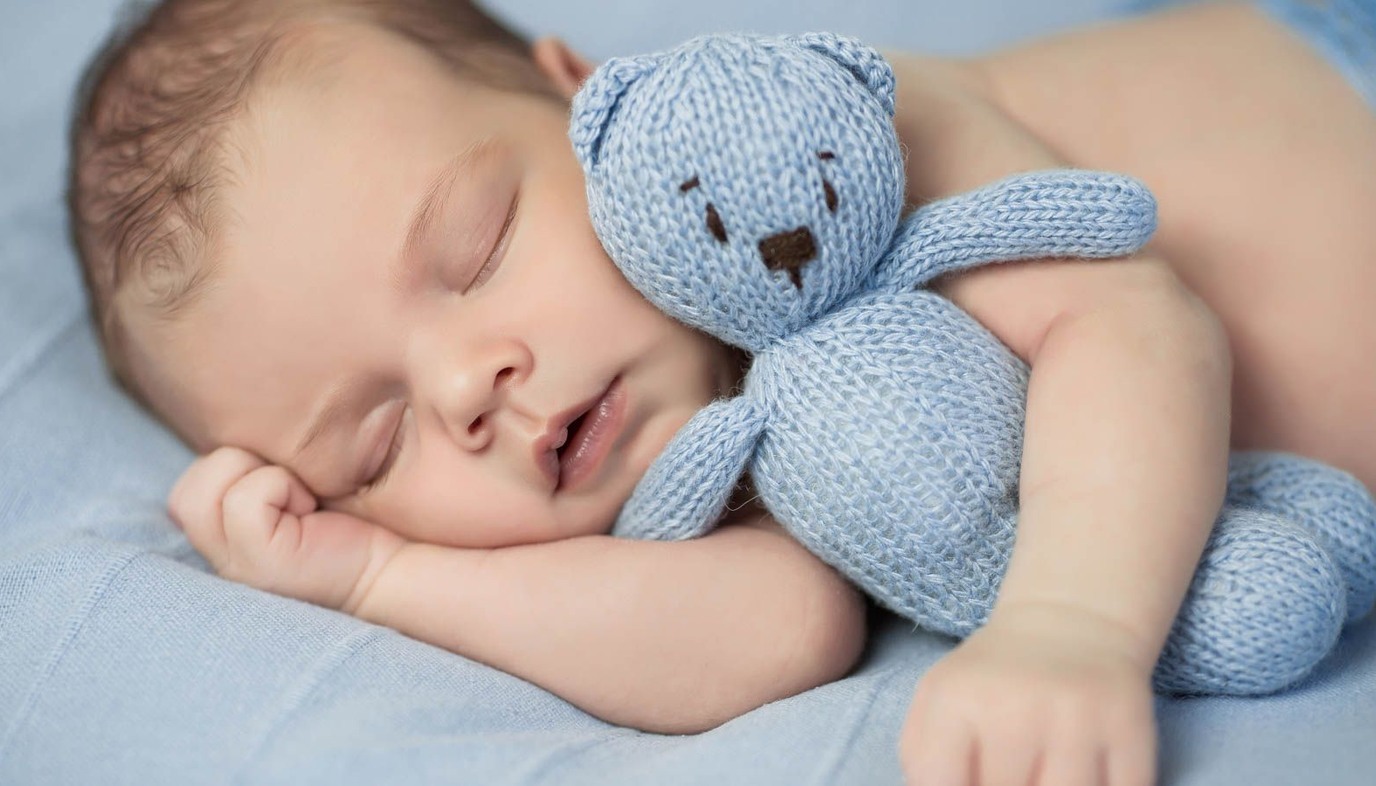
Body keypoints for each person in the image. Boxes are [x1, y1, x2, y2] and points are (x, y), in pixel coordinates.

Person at [65, 0, 1376, 784]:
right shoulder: (688, 465)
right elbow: (774, 631)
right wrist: (373, 579)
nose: (469, 386)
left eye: (474, 248)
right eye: (379, 438)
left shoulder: (819, 144)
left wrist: (1074, 628)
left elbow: (1133, 320)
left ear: (584, 101)